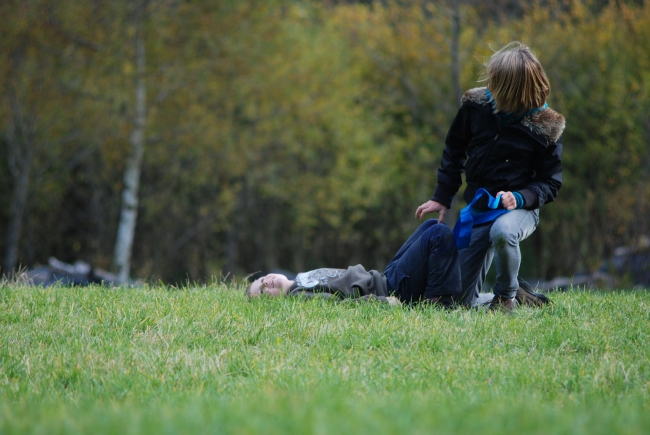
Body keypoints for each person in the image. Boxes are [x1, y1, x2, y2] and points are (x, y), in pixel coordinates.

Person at [415, 42, 565, 311]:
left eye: (498, 86)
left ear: (516, 90)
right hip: (480, 209)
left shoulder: (545, 127)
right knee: (459, 300)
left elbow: (550, 183)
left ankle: (505, 297)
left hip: (519, 210)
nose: (491, 91)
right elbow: (454, 149)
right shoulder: (476, 106)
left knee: (503, 231)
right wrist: (442, 196)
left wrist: (519, 197)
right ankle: (522, 294)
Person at [246, 219, 548, 309]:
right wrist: (382, 303)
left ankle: (470, 297)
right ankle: (441, 304)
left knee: (432, 225)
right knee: (439, 236)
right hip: (392, 289)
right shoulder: (300, 297)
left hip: (386, 275)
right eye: (262, 292)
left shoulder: (300, 278)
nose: (266, 283)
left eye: (261, 281)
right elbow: (338, 305)